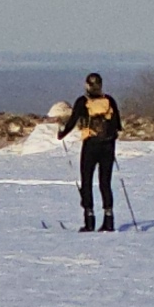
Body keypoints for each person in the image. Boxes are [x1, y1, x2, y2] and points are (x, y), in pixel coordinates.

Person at [51, 72, 123, 231]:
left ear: (87, 85)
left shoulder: (83, 101)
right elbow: (118, 125)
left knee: (87, 181)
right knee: (105, 182)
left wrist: (61, 134)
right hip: (108, 146)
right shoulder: (109, 101)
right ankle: (109, 220)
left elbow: (72, 122)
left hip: (91, 145)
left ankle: (89, 220)